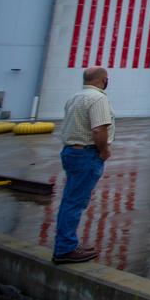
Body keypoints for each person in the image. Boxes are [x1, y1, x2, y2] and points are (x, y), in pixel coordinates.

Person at [52, 66, 115, 264]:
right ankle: (65, 248)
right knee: (74, 202)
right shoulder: (98, 99)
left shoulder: (76, 97)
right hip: (86, 154)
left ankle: (66, 244)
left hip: (71, 151)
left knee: (70, 199)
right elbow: (99, 129)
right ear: (103, 80)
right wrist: (104, 151)